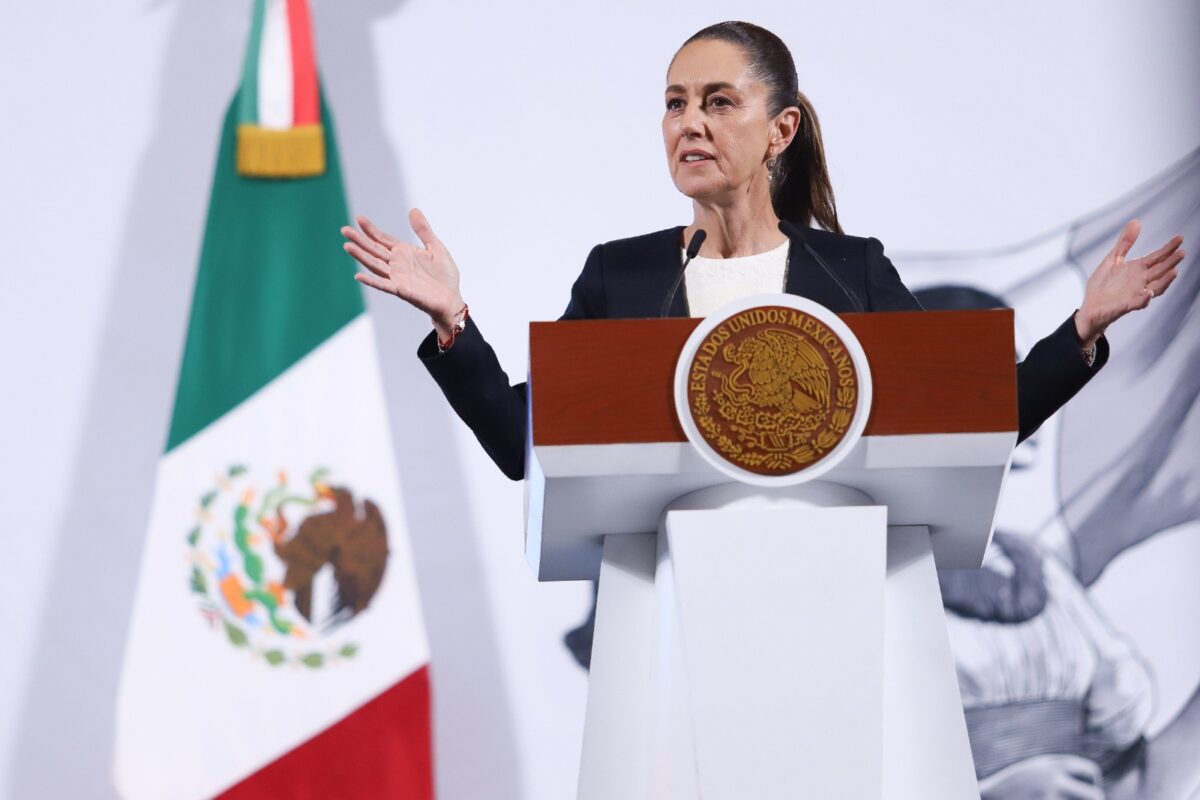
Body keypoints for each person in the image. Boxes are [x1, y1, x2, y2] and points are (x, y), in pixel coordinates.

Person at [341, 21, 1184, 483]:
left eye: (718, 102)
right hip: (665, 606)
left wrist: (1081, 331)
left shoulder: (851, 273)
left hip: (830, 595)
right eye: (674, 103)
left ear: (780, 130)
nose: (689, 124)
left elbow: (973, 420)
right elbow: (521, 441)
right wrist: (453, 321)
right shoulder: (621, 275)